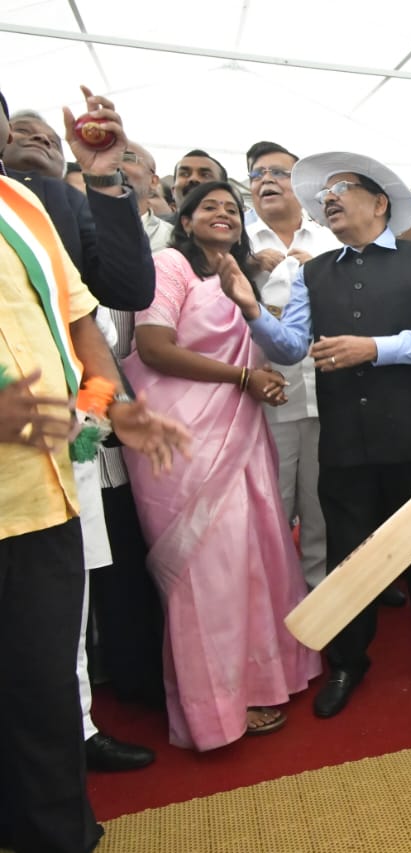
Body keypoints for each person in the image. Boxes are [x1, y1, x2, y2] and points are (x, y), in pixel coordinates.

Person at [0, 134, 190, 851]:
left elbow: (82, 322)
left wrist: (109, 401)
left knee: (43, 693)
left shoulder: (23, 203)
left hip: (45, 498)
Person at [229, 151, 411, 718]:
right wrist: (253, 310)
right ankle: (349, 660)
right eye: (324, 192)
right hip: (346, 438)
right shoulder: (313, 272)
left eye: (341, 188)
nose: (328, 198)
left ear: (379, 202)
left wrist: (372, 349)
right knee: (347, 554)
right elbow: (289, 347)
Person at [124, 180, 320, 749]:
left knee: (257, 554)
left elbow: (278, 347)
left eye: (231, 209)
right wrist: (243, 378)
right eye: (208, 207)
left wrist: (259, 364)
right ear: (184, 221)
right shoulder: (169, 267)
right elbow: (155, 346)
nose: (223, 214)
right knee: (207, 574)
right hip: (182, 436)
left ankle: (265, 678)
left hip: (241, 431)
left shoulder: (240, 280)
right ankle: (214, 707)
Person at [244, 141, 342, 592]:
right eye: (257, 173)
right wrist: (249, 271)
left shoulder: (329, 240)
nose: (267, 180)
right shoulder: (238, 242)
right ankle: (271, 598)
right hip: (265, 396)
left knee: (321, 504)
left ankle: (319, 597)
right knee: (271, 504)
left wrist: (322, 276)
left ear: (300, 185)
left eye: (278, 173)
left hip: (325, 394)